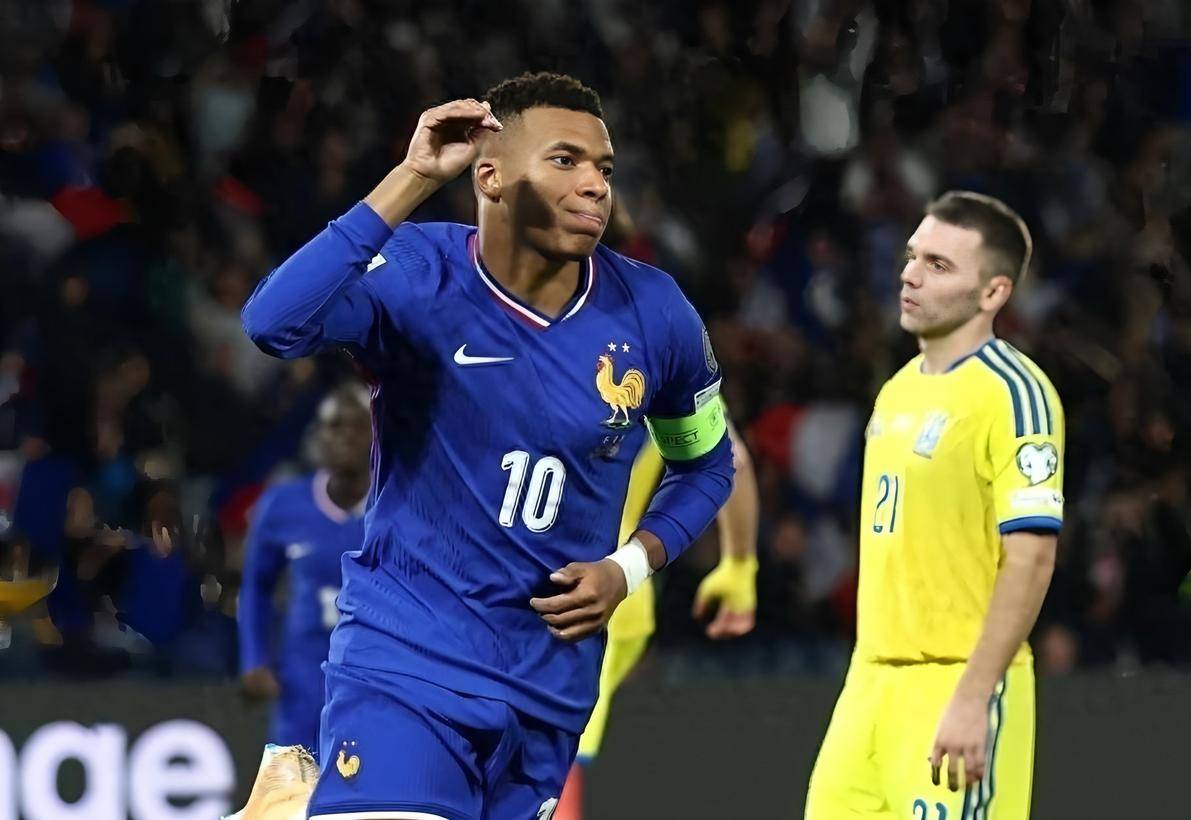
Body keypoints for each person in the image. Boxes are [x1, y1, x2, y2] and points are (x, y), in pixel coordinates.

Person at [241, 72, 734, 820]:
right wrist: (411, 178)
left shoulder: (655, 313)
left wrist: (628, 567)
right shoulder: (417, 274)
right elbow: (273, 323)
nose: (596, 185)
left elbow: (706, 464)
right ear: (490, 175)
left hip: (547, 692)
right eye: (565, 160)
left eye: (604, 168)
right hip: (407, 666)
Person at [804, 191, 1065, 819]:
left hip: (956, 683)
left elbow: (1030, 558)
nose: (910, 275)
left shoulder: (1015, 394)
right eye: (912, 256)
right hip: (869, 685)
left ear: (994, 292)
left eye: (939, 265)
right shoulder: (895, 392)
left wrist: (974, 696)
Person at [555, 419, 759, 820]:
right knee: (554, 747)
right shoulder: (670, 378)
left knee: (543, 750)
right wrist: (740, 564)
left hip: (556, 580)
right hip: (619, 585)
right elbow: (733, 459)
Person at [237, 383, 372, 749]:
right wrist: (254, 659)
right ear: (319, 436)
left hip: (378, 677)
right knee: (291, 783)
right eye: (335, 425)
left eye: (357, 425)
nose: (345, 436)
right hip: (302, 678)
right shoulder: (283, 505)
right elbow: (255, 585)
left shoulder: (399, 506)